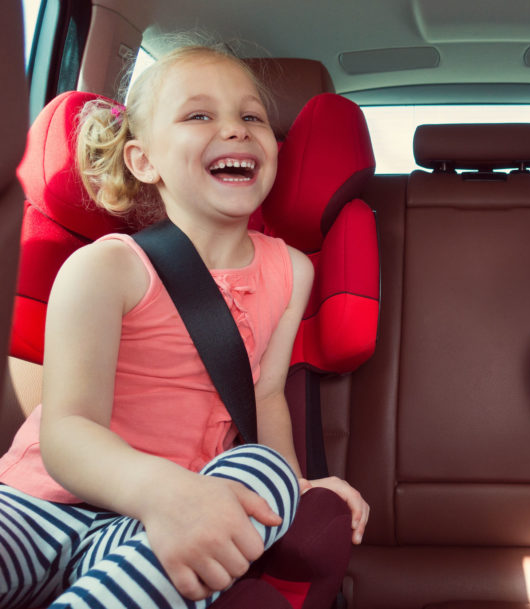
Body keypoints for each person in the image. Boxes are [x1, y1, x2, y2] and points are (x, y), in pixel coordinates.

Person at [0, 45, 369, 609]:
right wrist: (162, 492)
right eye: (200, 115)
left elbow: (265, 393)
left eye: (252, 117)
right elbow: (67, 432)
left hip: (160, 528)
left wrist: (295, 486)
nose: (236, 130)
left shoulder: (291, 270)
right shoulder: (107, 267)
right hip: (37, 502)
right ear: (143, 160)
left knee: (264, 470)